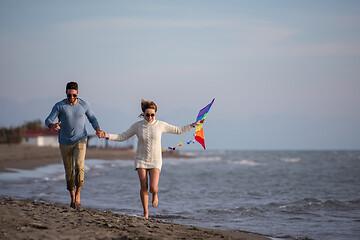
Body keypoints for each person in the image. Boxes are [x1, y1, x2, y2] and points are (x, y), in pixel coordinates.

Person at [99, 99, 204, 219]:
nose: (150, 117)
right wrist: (107, 135)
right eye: (147, 115)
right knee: (143, 187)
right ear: (143, 113)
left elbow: (178, 130)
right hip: (141, 159)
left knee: (152, 187)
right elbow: (123, 136)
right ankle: (145, 213)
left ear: (155, 114)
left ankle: (155, 194)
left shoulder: (160, 125)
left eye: (152, 115)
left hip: (155, 160)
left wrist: (194, 124)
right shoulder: (137, 126)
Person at [45, 82, 104, 209]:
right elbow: (48, 120)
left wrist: (97, 130)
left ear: (77, 93)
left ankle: (78, 195)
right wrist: (53, 125)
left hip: (81, 139)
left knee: (79, 165)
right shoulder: (60, 106)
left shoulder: (84, 105)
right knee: (69, 170)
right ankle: (71, 196)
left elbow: (92, 118)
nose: (71, 98)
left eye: (74, 95)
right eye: (69, 95)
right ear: (66, 93)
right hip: (64, 141)